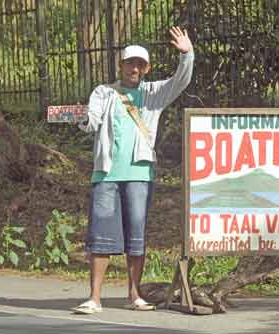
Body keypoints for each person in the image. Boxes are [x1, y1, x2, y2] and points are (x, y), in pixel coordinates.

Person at [73, 26, 194, 314]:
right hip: (106, 174)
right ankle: (95, 298)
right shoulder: (104, 92)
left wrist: (187, 55)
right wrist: (76, 116)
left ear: (146, 68)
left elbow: (180, 81)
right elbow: (90, 121)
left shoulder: (153, 93)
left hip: (140, 175)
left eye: (140, 64)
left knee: (136, 236)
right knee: (101, 237)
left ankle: (134, 295)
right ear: (121, 65)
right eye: (130, 63)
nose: (135, 69)